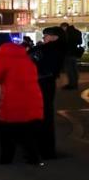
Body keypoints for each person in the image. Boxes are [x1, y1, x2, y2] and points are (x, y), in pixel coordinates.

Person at [0, 34, 44, 166]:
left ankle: (6, 166)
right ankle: (36, 164)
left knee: (7, 143)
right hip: (32, 105)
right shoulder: (25, 57)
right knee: (29, 141)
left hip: (12, 107)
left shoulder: (1, 57)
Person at [30, 26, 66, 160]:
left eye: (46, 35)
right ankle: (45, 149)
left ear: (55, 37)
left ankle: (45, 149)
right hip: (46, 83)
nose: (44, 37)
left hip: (43, 84)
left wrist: (35, 57)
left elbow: (42, 65)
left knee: (43, 115)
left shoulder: (51, 50)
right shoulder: (51, 49)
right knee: (44, 115)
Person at [61, 22, 83, 90]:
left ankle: (71, 85)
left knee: (69, 69)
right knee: (74, 69)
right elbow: (80, 42)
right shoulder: (78, 32)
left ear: (64, 27)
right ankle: (75, 84)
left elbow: (64, 43)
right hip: (75, 53)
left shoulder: (66, 33)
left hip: (68, 53)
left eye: (62, 28)